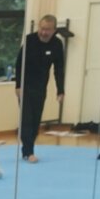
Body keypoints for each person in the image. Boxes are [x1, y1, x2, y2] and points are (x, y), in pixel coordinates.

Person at [15, 15, 65, 163]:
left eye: (47, 30)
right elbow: (19, 63)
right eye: (42, 28)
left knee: (36, 120)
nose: (43, 32)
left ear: (54, 30)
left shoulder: (57, 44)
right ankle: (28, 152)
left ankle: (28, 149)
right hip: (25, 86)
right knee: (26, 119)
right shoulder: (30, 40)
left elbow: (59, 69)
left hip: (41, 87)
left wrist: (60, 90)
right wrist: (18, 85)